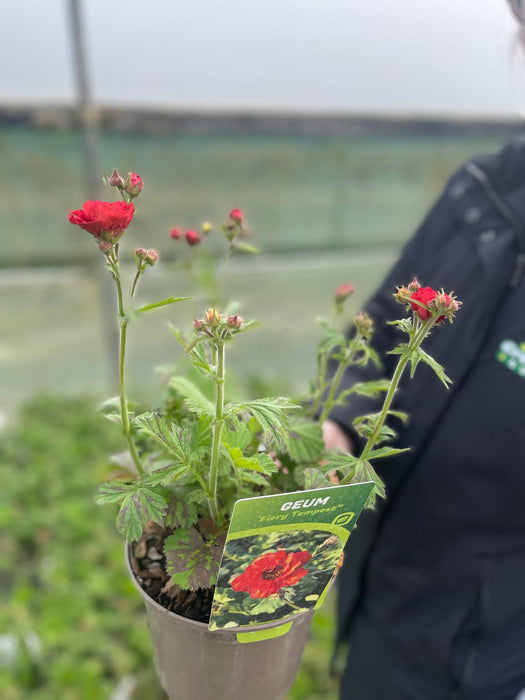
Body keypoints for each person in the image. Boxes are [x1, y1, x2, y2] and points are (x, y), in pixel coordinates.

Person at [323, 3, 525, 698]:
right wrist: (337, 425)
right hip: (388, 597)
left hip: (495, 654)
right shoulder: (481, 191)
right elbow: (378, 327)